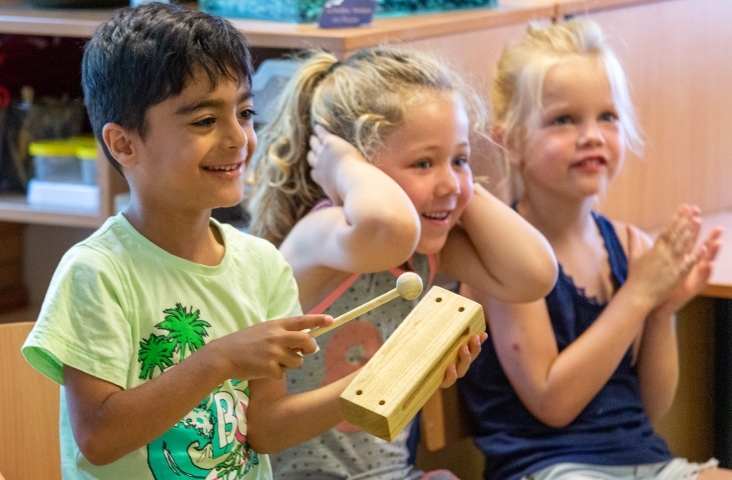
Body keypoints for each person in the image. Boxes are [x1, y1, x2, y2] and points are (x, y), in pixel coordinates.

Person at [18, 4, 382, 479]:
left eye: (246, 112)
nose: (239, 138)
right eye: (204, 121)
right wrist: (221, 358)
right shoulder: (96, 272)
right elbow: (100, 439)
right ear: (124, 144)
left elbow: (264, 429)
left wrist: (379, 380)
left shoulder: (261, 265)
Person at [247, 46, 559, 479]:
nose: (448, 181)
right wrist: (342, 165)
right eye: (423, 162)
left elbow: (535, 274)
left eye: (460, 159)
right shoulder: (320, 236)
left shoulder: (426, 252)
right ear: (358, 165)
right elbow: (389, 226)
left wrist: (460, 189)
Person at [458, 17, 729, 480]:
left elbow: (648, 407)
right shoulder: (505, 260)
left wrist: (662, 312)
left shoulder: (629, 245)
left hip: (644, 459)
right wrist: (638, 297)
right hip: (548, 466)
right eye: (564, 120)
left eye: (607, 116)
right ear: (511, 141)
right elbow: (553, 403)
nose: (592, 135)